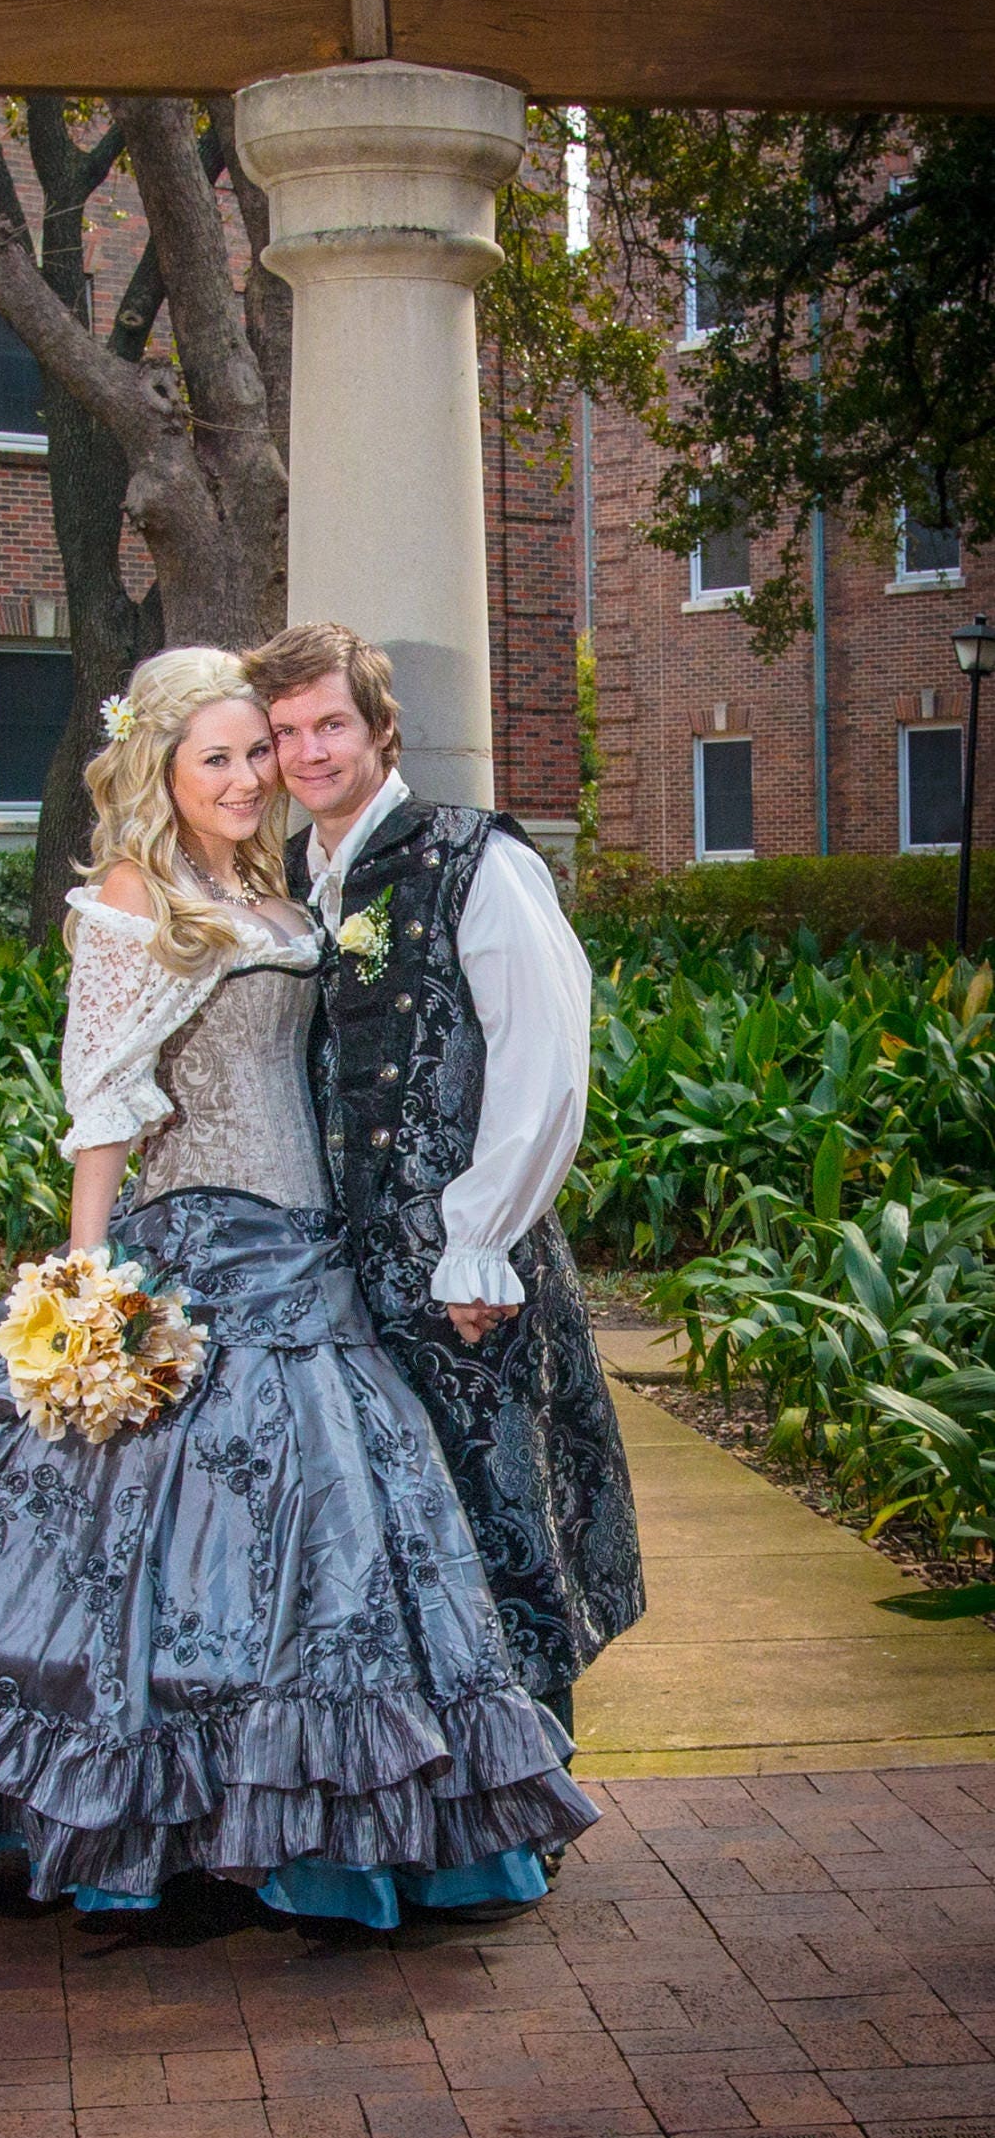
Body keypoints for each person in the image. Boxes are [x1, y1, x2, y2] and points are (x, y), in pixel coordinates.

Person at [0, 646, 597, 1928]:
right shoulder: (134, 894)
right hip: (199, 1241)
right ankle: (161, 1825)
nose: (254, 775)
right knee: (159, 1551)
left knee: (332, 1539)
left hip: (313, 1251)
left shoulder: (278, 878)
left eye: (263, 749)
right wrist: (86, 1281)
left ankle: (304, 1818)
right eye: (223, 756)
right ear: (160, 767)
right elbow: (103, 1106)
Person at [243, 622, 645, 1745]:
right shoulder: (286, 882)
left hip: (465, 1268)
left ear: (382, 728)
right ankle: (430, 1798)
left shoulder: (478, 859)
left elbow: (542, 1064)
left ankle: (532, 1792)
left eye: (330, 723)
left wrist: (479, 1241)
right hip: (337, 1279)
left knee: (500, 1528)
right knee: (385, 1547)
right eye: (285, 732)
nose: (309, 752)